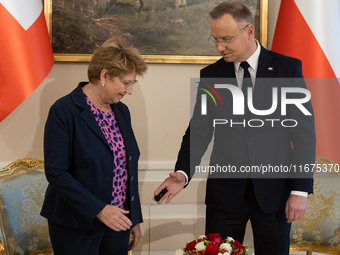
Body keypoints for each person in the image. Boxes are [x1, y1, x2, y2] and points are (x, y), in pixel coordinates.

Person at [154, 2, 316, 255]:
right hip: (226, 196)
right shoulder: (212, 74)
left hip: (274, 194)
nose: (220, 47)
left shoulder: (287, 68)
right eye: (215, 39)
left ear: (249, 32)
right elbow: (199, 131)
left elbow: (303, 133)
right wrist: (182, 173)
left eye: (227, 39)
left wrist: (300, 190)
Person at [41, 36, 147, 255]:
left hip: (117, 222)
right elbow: (56, 172)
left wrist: (133, 218)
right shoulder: (64, 110)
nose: (130, 91)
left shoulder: (121, 111)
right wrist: (99, 209)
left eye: (132, 84)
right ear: (105, 75)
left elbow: (127, 167)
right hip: (75, 224)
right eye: (126, 83)